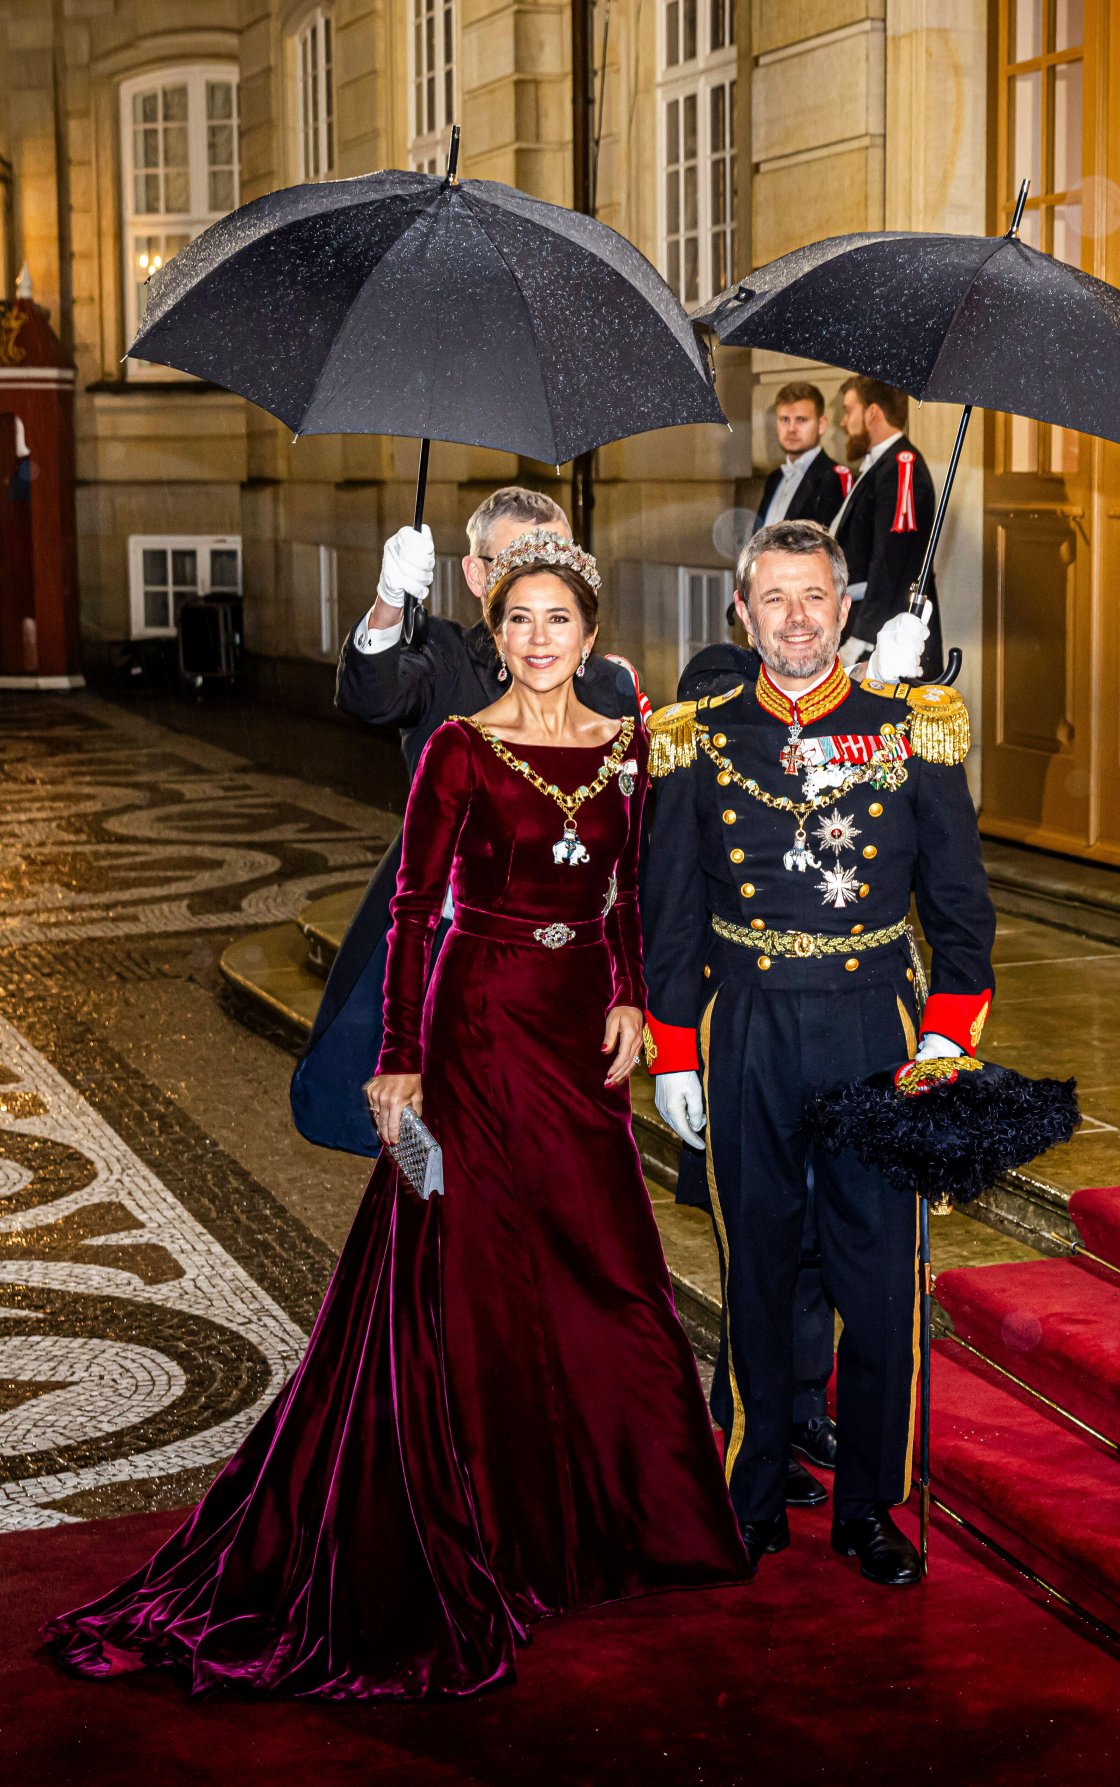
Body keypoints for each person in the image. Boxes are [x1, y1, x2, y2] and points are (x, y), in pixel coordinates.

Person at [44, 530, 749, 1700]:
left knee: (606, 1266)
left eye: (556, 620)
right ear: (496, 628)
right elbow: (417, 910)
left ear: (592, 635)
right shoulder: (463, 752)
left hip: (580, 1040)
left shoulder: (631, 749)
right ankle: (473, 1517)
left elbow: (627, 885)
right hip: (473, 1029)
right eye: (516, 619)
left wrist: (630, 990)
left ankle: (622, 1516)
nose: (535, 639)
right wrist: (401, 1060)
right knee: (458, 1264)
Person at [642, 519, 995, 1581]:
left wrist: (947, 1035)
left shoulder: (911, 728)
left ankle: (866, 1507)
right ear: (741, 612)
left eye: (815, 598)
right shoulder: (693, 737)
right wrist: (671, 1053)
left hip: (875, 1029)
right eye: (773, 598)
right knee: (755, 1268)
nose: (795, 619)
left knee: (881, 1275)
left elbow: (964, 911)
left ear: (847, 610)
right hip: (745, 1023)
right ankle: (751, 1493)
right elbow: (669, 916)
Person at [291, 486, 645, 1156]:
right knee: (431, 1165)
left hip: (564, 969)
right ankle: (423, 1245)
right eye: (517, 560)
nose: (540, 580)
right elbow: (369, 695)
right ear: (477, 575)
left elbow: (634, 841)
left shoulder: (611, 685)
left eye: (557, 556)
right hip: (449, 961)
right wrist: (392, 598)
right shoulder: (442, 658)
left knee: (551, 1162)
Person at [831, 376, 942, 678]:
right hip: (869, 623)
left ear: (872, 413)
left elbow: (893, 562)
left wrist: (861, 638)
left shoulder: (901, 468)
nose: (843, 422)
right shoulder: (881, 465)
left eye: (848, 410)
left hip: (886, 635)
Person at [753, 381, 852, 532]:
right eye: (785, 419)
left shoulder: (834, 478)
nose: (791, 429)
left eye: (801, 420)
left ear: (821, 425)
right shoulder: (774, 478)